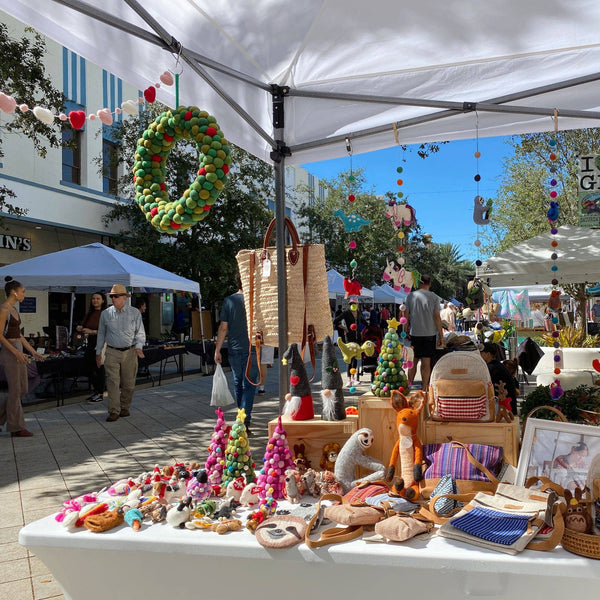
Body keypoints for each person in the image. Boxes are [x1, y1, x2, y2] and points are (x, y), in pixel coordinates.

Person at [0, 277, 45, 437]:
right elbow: (0, 336)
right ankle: (16, 427)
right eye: (23, 291)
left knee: (23, 389)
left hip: (18, 348)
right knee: (15, 389)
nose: (24, 294)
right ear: (14, 292)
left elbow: (19, 335)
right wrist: (16, 352)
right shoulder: (4, 309)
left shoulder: (14, 309)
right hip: (9, 351)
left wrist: (33, 351)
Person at [214, 273, 258, 435]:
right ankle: (243, 421)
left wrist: (217, 349)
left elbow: (223, 327)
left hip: (234, 348)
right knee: (249, 385)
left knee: (238, 383)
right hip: (252, 348)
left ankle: (241, 417)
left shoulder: (229, 301)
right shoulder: (255, 301)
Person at [96, 284, 146, 422]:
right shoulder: (105, 314)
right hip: (112, 351)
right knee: (112, 382)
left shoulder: (134, 313)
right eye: (112, 296)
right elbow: (101, 334)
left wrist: (139, 346)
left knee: (129, 384)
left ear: (124, 297)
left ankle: (125, 407)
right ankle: (113, 410)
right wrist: (98, 351)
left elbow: (140, 332)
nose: (113, 298)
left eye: (116, 296)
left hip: (130, 352)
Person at [404, 275, 443, 392]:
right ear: (429, 284)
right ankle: (425, 388)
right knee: (426, 363)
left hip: (415, 333)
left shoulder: (411, 296)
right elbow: (437, 317)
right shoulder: (434, 297)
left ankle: (409, 387)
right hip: (429, 334)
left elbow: (406, 315)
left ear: (419, 283)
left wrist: (405, 330)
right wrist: (441, 335)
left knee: (413, 362)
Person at [76, 292, 107, 403]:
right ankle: (96, 390)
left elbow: (108, 331)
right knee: (89, 366)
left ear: (103, 300)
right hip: (90, 342)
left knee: (99, 367)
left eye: (98, 299)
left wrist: (92, 331)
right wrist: (80, 328)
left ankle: (100, 392)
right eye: (93, 298)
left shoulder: (105, 313)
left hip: (101, 343)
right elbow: (85, 325)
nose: (95, 300)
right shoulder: (90, 313)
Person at [333, 298, 367, 386]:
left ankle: (353, 378)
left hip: (357, 338)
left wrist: (370, 328)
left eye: (354, 303)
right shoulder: (346, 313)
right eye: (351, 303)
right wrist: (344, 328)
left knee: (355, 358)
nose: (353, 304)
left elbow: (364, 322)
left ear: (357, 304)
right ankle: (348, 379)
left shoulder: (359, 313)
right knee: (349, 358)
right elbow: (336, 321)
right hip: (349, 337)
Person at [480, 342, 518, 414]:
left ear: (488, 354)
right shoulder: (496, 365)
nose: (479, 356)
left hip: (504, 407)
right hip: (508, 406)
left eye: (481, 353)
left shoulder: (491, 368)